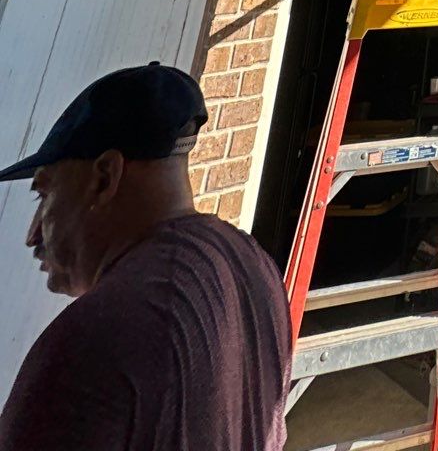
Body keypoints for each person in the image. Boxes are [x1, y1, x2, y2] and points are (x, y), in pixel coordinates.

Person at [0, 63, 291, 450]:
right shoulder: (255, 267)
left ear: (105, 177)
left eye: (45, 195)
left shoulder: (99, 338)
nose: (32, 234)